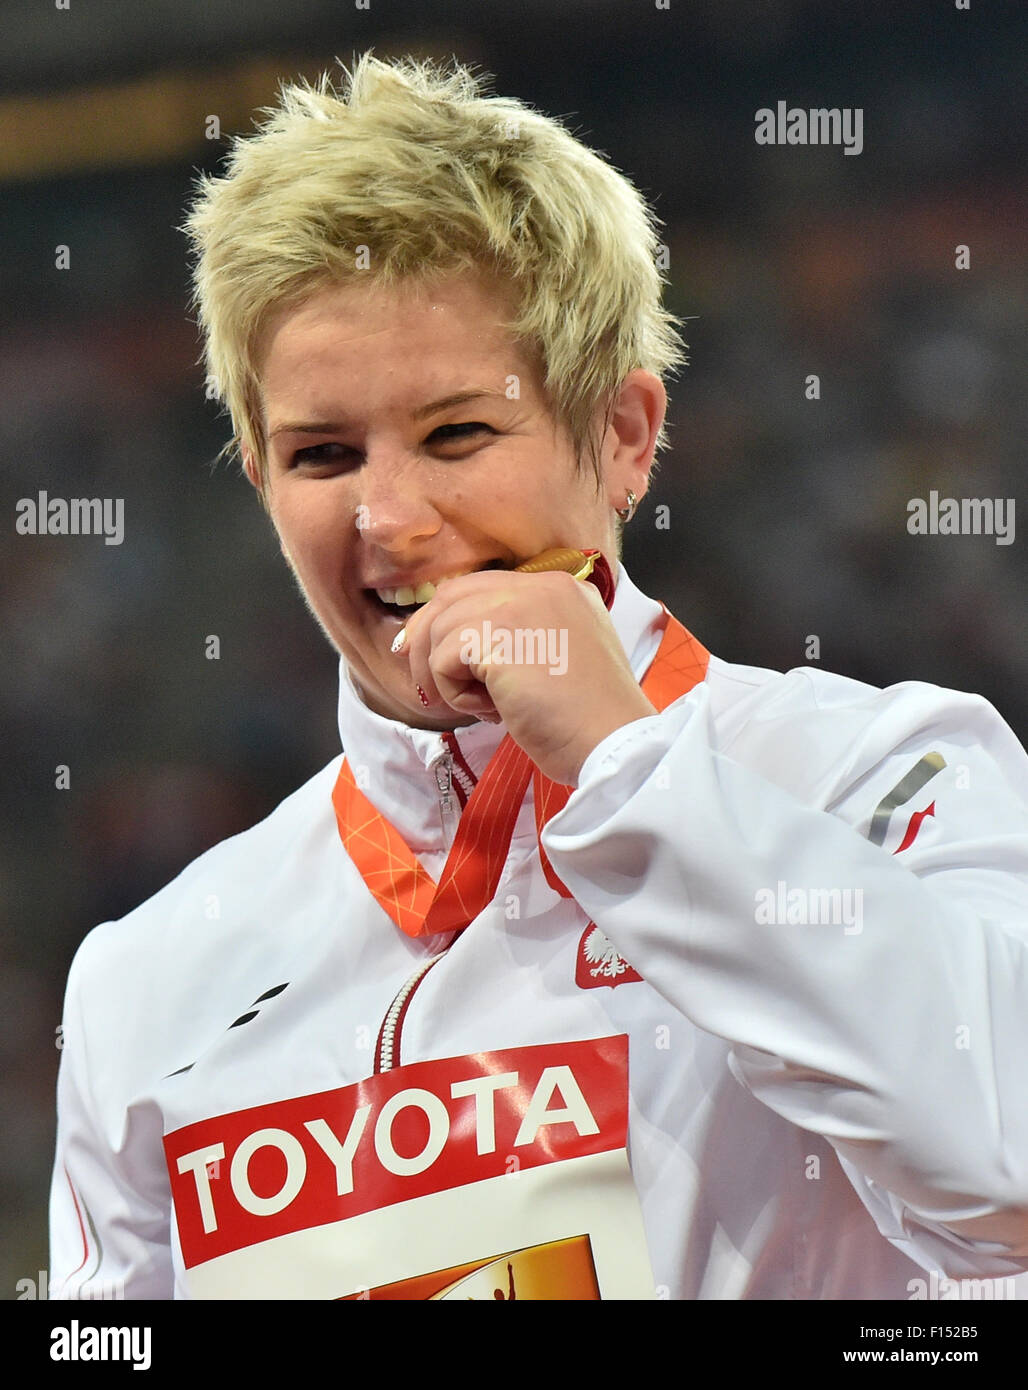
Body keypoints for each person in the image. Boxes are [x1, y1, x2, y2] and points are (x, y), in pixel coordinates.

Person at [49, 53, 1028, 1302]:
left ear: (622, 435)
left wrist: (631, 777)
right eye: (322, 453)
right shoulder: (150, 972)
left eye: (457, 431)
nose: (389, 518)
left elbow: (1003, 1187)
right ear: (255, 474)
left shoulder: (879, 779)